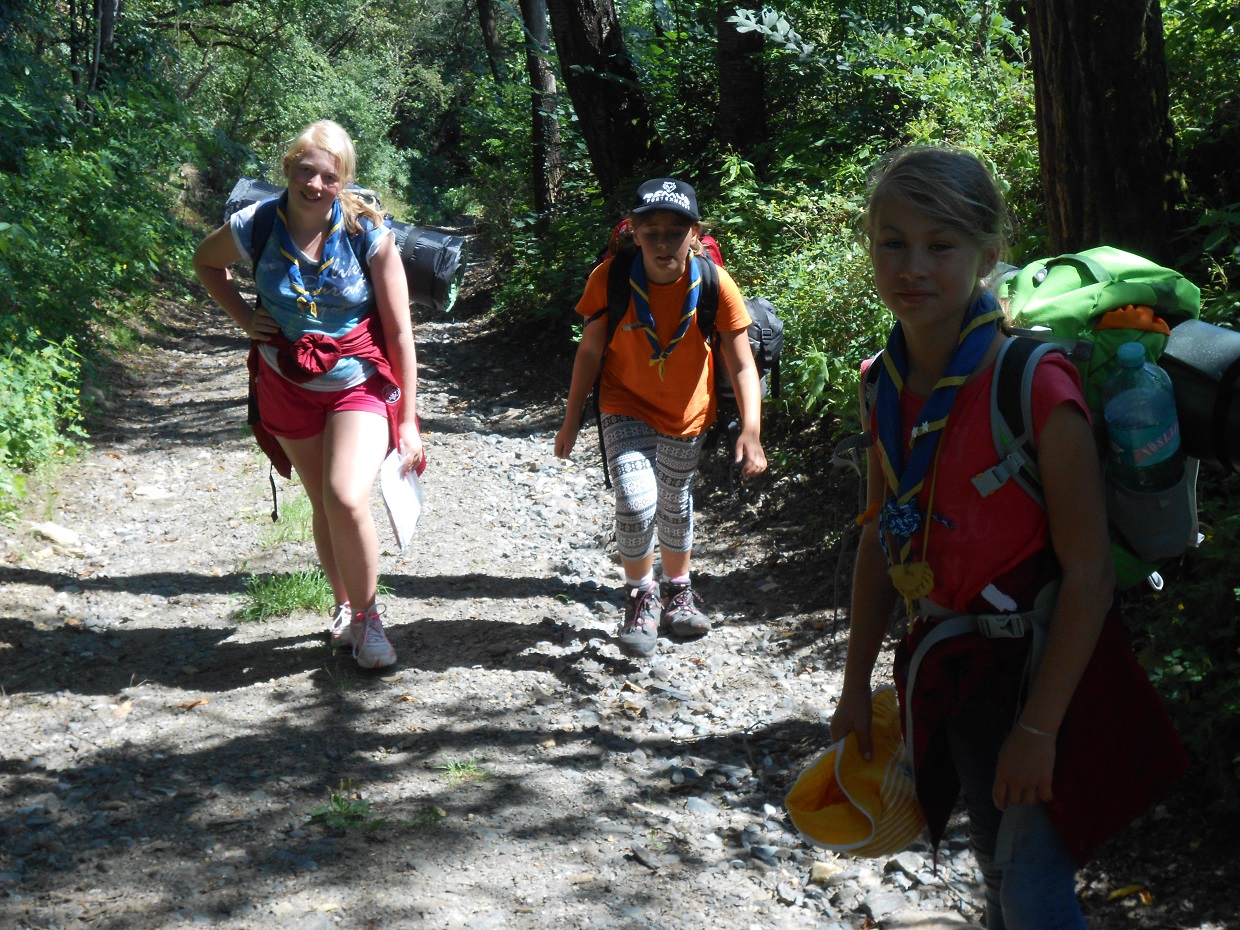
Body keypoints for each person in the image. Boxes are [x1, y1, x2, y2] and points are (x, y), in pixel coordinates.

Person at [830, 146, 1115, 929]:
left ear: (988, 256)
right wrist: (854, 686)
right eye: (893, 242)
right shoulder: (881, 385)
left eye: (941, 245)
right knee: (998, 869)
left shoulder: (1034, 383)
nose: (913, 266)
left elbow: (1090, 573)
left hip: (1043, 671)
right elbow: (879, 542)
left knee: (1030, 890)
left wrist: (1039, 729)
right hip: (957, 671)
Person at [193, 119, 424, 670]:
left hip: (357, 382)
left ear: (343, 181)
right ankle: (344, 606)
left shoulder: (368, 233)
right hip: (285, 383)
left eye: (329, 176)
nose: (315, 185)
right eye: (306, 171)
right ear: (288, 170)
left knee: (346, 495)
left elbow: (400, 333)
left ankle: (368, 618)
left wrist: (408, 419)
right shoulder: (256, 224)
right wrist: (245, 317)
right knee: (324, 500)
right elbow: (206, 261)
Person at [554, 178, 768, 657]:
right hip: (624, 401)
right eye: (651, 233)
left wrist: (752, 431)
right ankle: (639, 596)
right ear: (634, 232)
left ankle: (678, 590)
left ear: (695, 233)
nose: (663, 243)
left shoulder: (715, 284)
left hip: (688, 410)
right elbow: (589, 352)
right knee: (636, 502)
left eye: (676, 232)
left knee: (674, 500)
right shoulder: (611, 279)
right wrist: (571, 421)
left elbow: (742, 364)